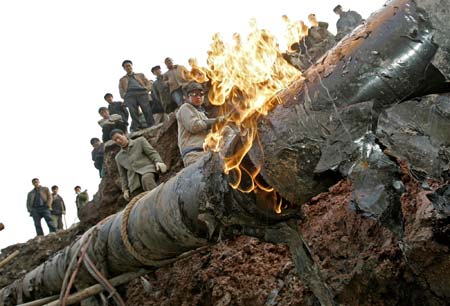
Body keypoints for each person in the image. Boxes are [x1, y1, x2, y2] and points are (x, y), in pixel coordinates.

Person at [111, 129, 167, 200]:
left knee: (146, 179)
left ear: (124, 134)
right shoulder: (118, 157)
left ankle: (160, 200)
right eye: (115, 140)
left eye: (118, 137)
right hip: (134, 182)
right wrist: (125, 189)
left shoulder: (140, 141)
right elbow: (123, 175)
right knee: (136, 199)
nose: (118, 141)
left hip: (147, 171)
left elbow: (152, 153)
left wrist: (158, 162)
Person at [176, 82, 222, 167]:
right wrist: (218, 121)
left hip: (206, 152)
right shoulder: (185, 108)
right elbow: (194, 126)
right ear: (186, 97)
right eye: (194, 94)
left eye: (201, 94)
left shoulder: (201, 113)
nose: (198, 97)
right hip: (194, 155)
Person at [119, 60, 154, 130]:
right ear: (124, 68)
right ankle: (137, 126)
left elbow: (148, 83)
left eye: (129, 65)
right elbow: (121, 90)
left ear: (131, 66)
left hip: (142, 92)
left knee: (147, 109)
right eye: (126, 66)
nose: (128, 67)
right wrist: (124, 95)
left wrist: (146, 89)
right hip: (130, 95)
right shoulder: (122, 79)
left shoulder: (140, 75)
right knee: (133, 111)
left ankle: (151, 124)